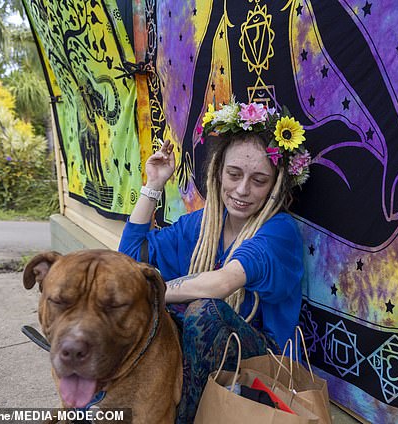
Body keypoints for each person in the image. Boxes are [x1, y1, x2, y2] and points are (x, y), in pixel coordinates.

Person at [118, 100, 310, 423]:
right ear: (218, 171)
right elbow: (128, 262)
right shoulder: (203, 225)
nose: (242, 189)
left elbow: (223, 283)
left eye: (259, 180)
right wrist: (153, 185)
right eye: (233, 174)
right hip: (205, 360)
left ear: (275, 185)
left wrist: (156, 292)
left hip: (261, 363)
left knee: (204, 311)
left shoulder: (280, 232)